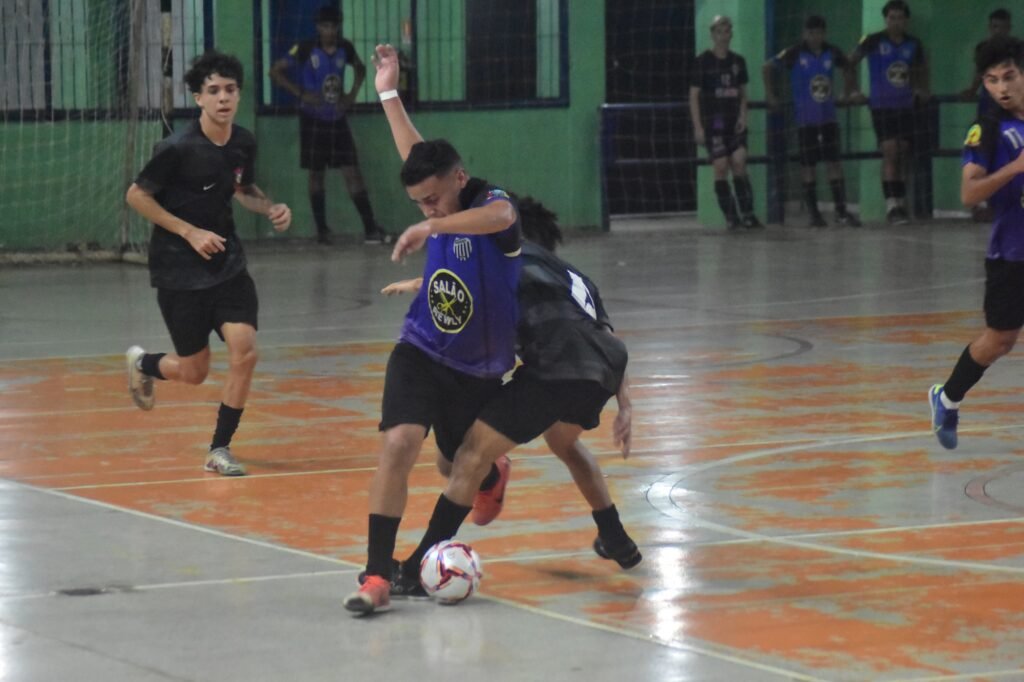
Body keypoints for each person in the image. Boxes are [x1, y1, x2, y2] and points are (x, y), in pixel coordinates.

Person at [367, 197, 642, 603]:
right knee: (564, 443)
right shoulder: (575, 277)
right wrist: (626, 405)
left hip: (554, 370)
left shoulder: (503, 257)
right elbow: (610, 338)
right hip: (601, 370)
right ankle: (616, 537)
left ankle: (415, 568)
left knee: (471, 456)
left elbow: (468, 286)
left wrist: (419, 284)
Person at [342, 44, 522, 615]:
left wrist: (435, 228)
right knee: (399, 443)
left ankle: (489, 477)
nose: (426, 209)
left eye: (434, 198)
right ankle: (378, 574)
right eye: (417, 204)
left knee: (457, 464)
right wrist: (387, 91)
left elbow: (501, 219)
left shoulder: (491, 207)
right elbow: (414, 151)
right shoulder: (435, 196)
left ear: (459, 179)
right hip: (421, 348)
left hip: (479, 368)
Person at [124, 51, 292, 476]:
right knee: (195, 372)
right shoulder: (176, 148)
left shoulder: (243, 141)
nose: (223, 98)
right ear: (198, 98)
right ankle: (143, 364)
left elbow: (242, 186)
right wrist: (189, 231)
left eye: (230, 90)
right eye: (213, 91)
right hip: (178, 269)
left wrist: (270, 208)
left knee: (245, 351)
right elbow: (137, 196)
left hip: (227, 266)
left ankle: (220, 448)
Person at [930, 36, 1024, 451]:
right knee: (1000, 340)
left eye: (1009, 77)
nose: (1001, 88)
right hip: (1012, 252)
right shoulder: (987, 129)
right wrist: (1016, 167)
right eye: (991, 80)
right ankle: (947, 398)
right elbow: (970, 195)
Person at [269, 5, 389, 245]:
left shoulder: (345, 47)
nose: (329, 30)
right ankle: (322, 231)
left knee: (352, 171)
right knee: (316, 174)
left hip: (337, 119)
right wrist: (301, 93)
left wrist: (351, 94)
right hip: (312, 120)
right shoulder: (304, 49)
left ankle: (370, 229)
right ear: (317, 27)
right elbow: (275, 71)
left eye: (332, 26)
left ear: (337, 27)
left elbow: (361, 69)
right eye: (324, 26)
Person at [763, 15, 860, 228]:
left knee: (834, 162)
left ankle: (841, 211)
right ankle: (814, 214)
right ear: (804, 34)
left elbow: (848, 66)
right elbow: (768, 67)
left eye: (819, 32)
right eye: (811, 32)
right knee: (808, 165)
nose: (815, 37)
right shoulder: (795, 52)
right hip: (806, 120)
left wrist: (847, 92)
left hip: (828, 118)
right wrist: (771, 95)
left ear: (824, 33)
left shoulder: (831, 51)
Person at [847, 0, 929, 225]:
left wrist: (922, 89)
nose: (895, 22)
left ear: (906, 20)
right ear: (886, 19)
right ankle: (892, 205)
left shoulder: (914, 44)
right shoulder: (872, 40)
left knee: (903, 152)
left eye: (899, 18)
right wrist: (853, 91)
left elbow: (922, 69)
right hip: (881, 107)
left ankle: (901, 202)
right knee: (890, 150)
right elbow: (850, 62)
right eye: (891, 18)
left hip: (905, 106)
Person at [689, 15, 762, 229]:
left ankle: (748, 214)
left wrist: (743, 117)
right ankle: (732, 218)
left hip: (734, 122)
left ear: (731, 34)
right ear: (713, 34)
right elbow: (693, 96)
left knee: (739, 161)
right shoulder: (702, 61)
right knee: (720, 166)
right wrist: (698, 127)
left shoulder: (738, 61)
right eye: (720, 31)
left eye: (727, 30)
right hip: (715, 123)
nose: (724, 35)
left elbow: (742, 94)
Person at [960, 8, 1013, 113]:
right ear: (989, 28)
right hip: (988, 101)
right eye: (995, 27)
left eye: (1003, 27)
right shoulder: (983, 48)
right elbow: (980, 71)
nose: (998, 31)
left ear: (1008, 28)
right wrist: (972, 90)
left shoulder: (1017, 48)